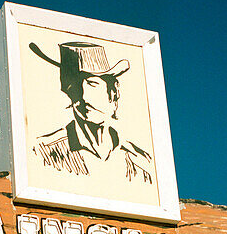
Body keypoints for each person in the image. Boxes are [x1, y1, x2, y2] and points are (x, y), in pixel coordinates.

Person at [29, 41, 153, 183]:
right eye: (75, 86)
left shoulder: (138, 159)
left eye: (92, 84)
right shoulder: (44, 151)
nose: (84, 97)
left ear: (113, 94)